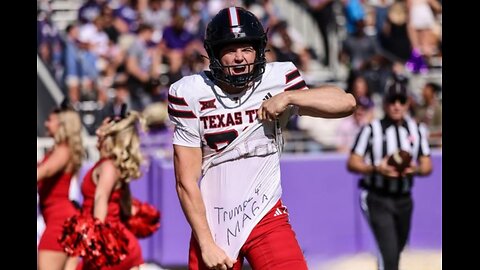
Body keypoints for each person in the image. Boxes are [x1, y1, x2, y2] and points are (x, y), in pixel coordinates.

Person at [168, 6, 356, 270]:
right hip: (214, 222)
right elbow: (186, 180)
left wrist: (290, 97)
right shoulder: (191, 92)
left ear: (259, 50)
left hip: (265, 214)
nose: (239, 57)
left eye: (246, 49)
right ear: (214, 54)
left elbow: (346, 103)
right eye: (230, 49)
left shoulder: (278, 79)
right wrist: (206, 243)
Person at [347, 81, 433, 270]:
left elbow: (427, 165)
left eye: (401, 101)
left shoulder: (416, 131)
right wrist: (377, 169)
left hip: (404, 199)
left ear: (407, 103)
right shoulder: (371, 130)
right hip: (377, 197)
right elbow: (353, 162)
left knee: (397, 248)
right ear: (385, 103)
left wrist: (414, 169)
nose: (396, 105)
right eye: (392, 100)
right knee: (390, 254)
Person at [65, 108, 145, 270]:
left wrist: (96, 240)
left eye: (101, 128)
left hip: (109, 245)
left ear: (108, 137)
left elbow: (100, 199)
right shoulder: (107, 164)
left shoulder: (108, 166)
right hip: (107, 239)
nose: (96, 131)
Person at [37, 100, 84, 270]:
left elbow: (44, 172)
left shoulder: (63, 150)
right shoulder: (59, 149)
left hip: (60, 222)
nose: (45, 124)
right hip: (60, 220)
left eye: (49, 120)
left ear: (62, 124)